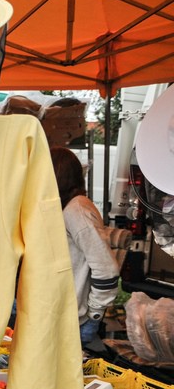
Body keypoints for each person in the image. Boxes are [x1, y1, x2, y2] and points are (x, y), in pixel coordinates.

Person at [50, 146, 120, 347]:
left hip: (75, 321)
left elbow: (106, 269)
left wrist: (94, 315)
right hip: (64, 317)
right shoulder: (69, 207)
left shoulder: (77, 210)